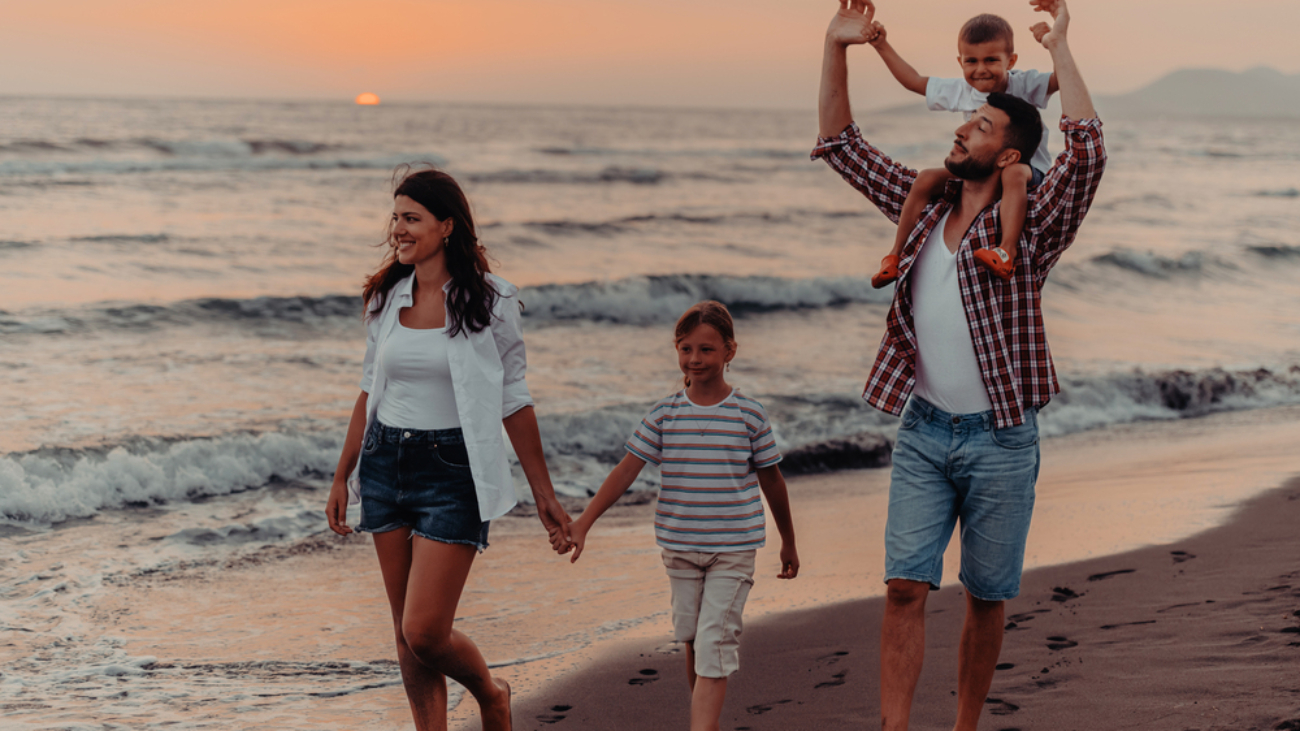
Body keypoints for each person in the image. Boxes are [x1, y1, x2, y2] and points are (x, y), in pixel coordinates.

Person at [813, 1, 1105, 729]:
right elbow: (842, 144)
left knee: (985, 593)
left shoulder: (1030, 227)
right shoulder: (925, 205)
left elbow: (1088, 150)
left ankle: (965, 725)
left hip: (1003, 440)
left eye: (978, 125)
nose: (961, 125)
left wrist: (1061, 46)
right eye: (965, 118)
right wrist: (835, 47)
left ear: (1008, 154)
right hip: (923, 432)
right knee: (904, 587)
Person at [324, 168, 572, 731]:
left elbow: (514, 398)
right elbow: (369, 389)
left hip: (453, 470)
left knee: (425, 630)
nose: (398, 230)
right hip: (384, 463)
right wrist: (344, 475)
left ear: (446, 226)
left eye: (411, 219)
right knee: (403, 634)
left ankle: (491, 692)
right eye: (395, 218)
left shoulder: (491, 302)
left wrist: (544, 494)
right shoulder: (386, 296)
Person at [562, 301, 799, 731]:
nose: (695, 359)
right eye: (686, 349)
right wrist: (583, 522)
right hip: (680, 547)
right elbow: (625, 471)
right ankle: (703, 719)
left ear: (730, 351)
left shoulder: (749, 414)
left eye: (707, 350)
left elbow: (773, 481)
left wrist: (788, 540)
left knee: (714, 640)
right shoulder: (665, 414)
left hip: (733, 547)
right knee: (692, 638)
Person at [863, 11, 1058, 286]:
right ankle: (895, 256)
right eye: (971, 61)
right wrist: (881, 44)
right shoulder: (961, 90)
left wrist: (1056, 42)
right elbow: (913, 81)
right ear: (960, 62)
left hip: (1027, 174)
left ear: (1010, 60)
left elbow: (1063, 78)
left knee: (1012, 173)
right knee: (926, 178)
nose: (981, 69)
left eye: (991, 60)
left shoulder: (1024, 84)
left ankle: (1006, 251)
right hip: (983, 170)